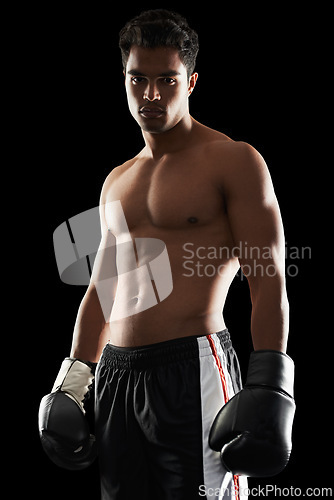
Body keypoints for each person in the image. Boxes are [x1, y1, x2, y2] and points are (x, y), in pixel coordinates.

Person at [39, 9, 295, 500]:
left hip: (192, 369)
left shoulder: (233, 160)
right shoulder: (117, 179)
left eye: (166, 80)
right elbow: (102, 289)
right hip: (115, 378)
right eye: (138, 79)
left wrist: (271, 383)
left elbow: (268, 278)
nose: (151, 95)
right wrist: (73, 382)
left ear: (191, 81)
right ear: (124, 79)